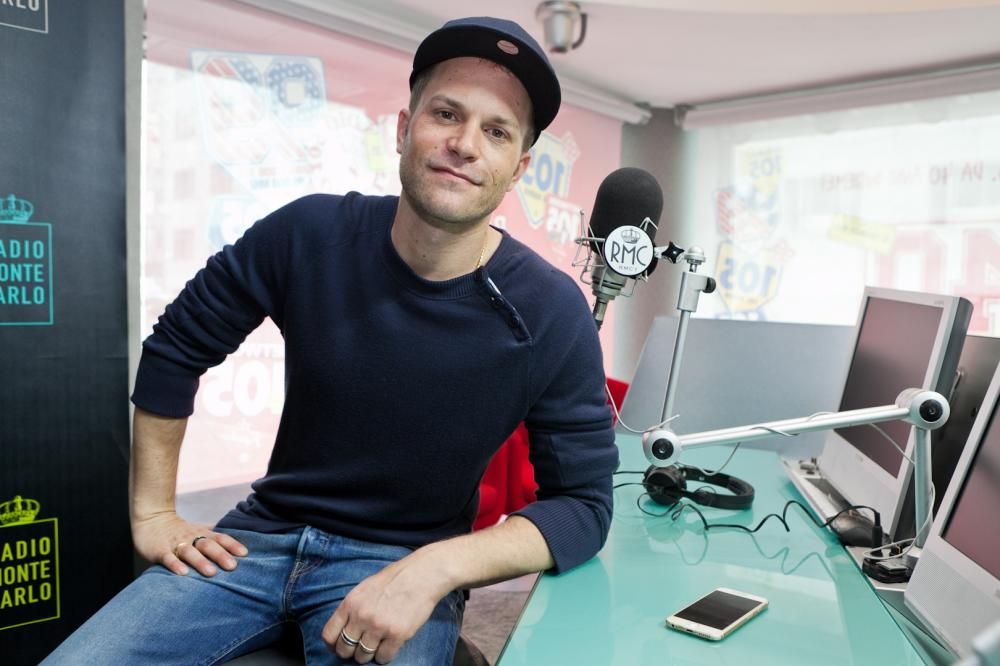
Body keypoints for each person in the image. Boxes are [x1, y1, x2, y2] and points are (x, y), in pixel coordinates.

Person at [45, 16, 617, 665]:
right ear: (403, 129)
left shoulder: (549, 310)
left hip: (399, 564)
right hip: (254, 545)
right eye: (446, 114)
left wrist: (435, 569)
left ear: (518, 169)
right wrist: (153, 514)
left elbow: (583, 507)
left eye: (496, 131)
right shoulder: (308, 233)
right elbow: (177, 345)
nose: (464, 144)